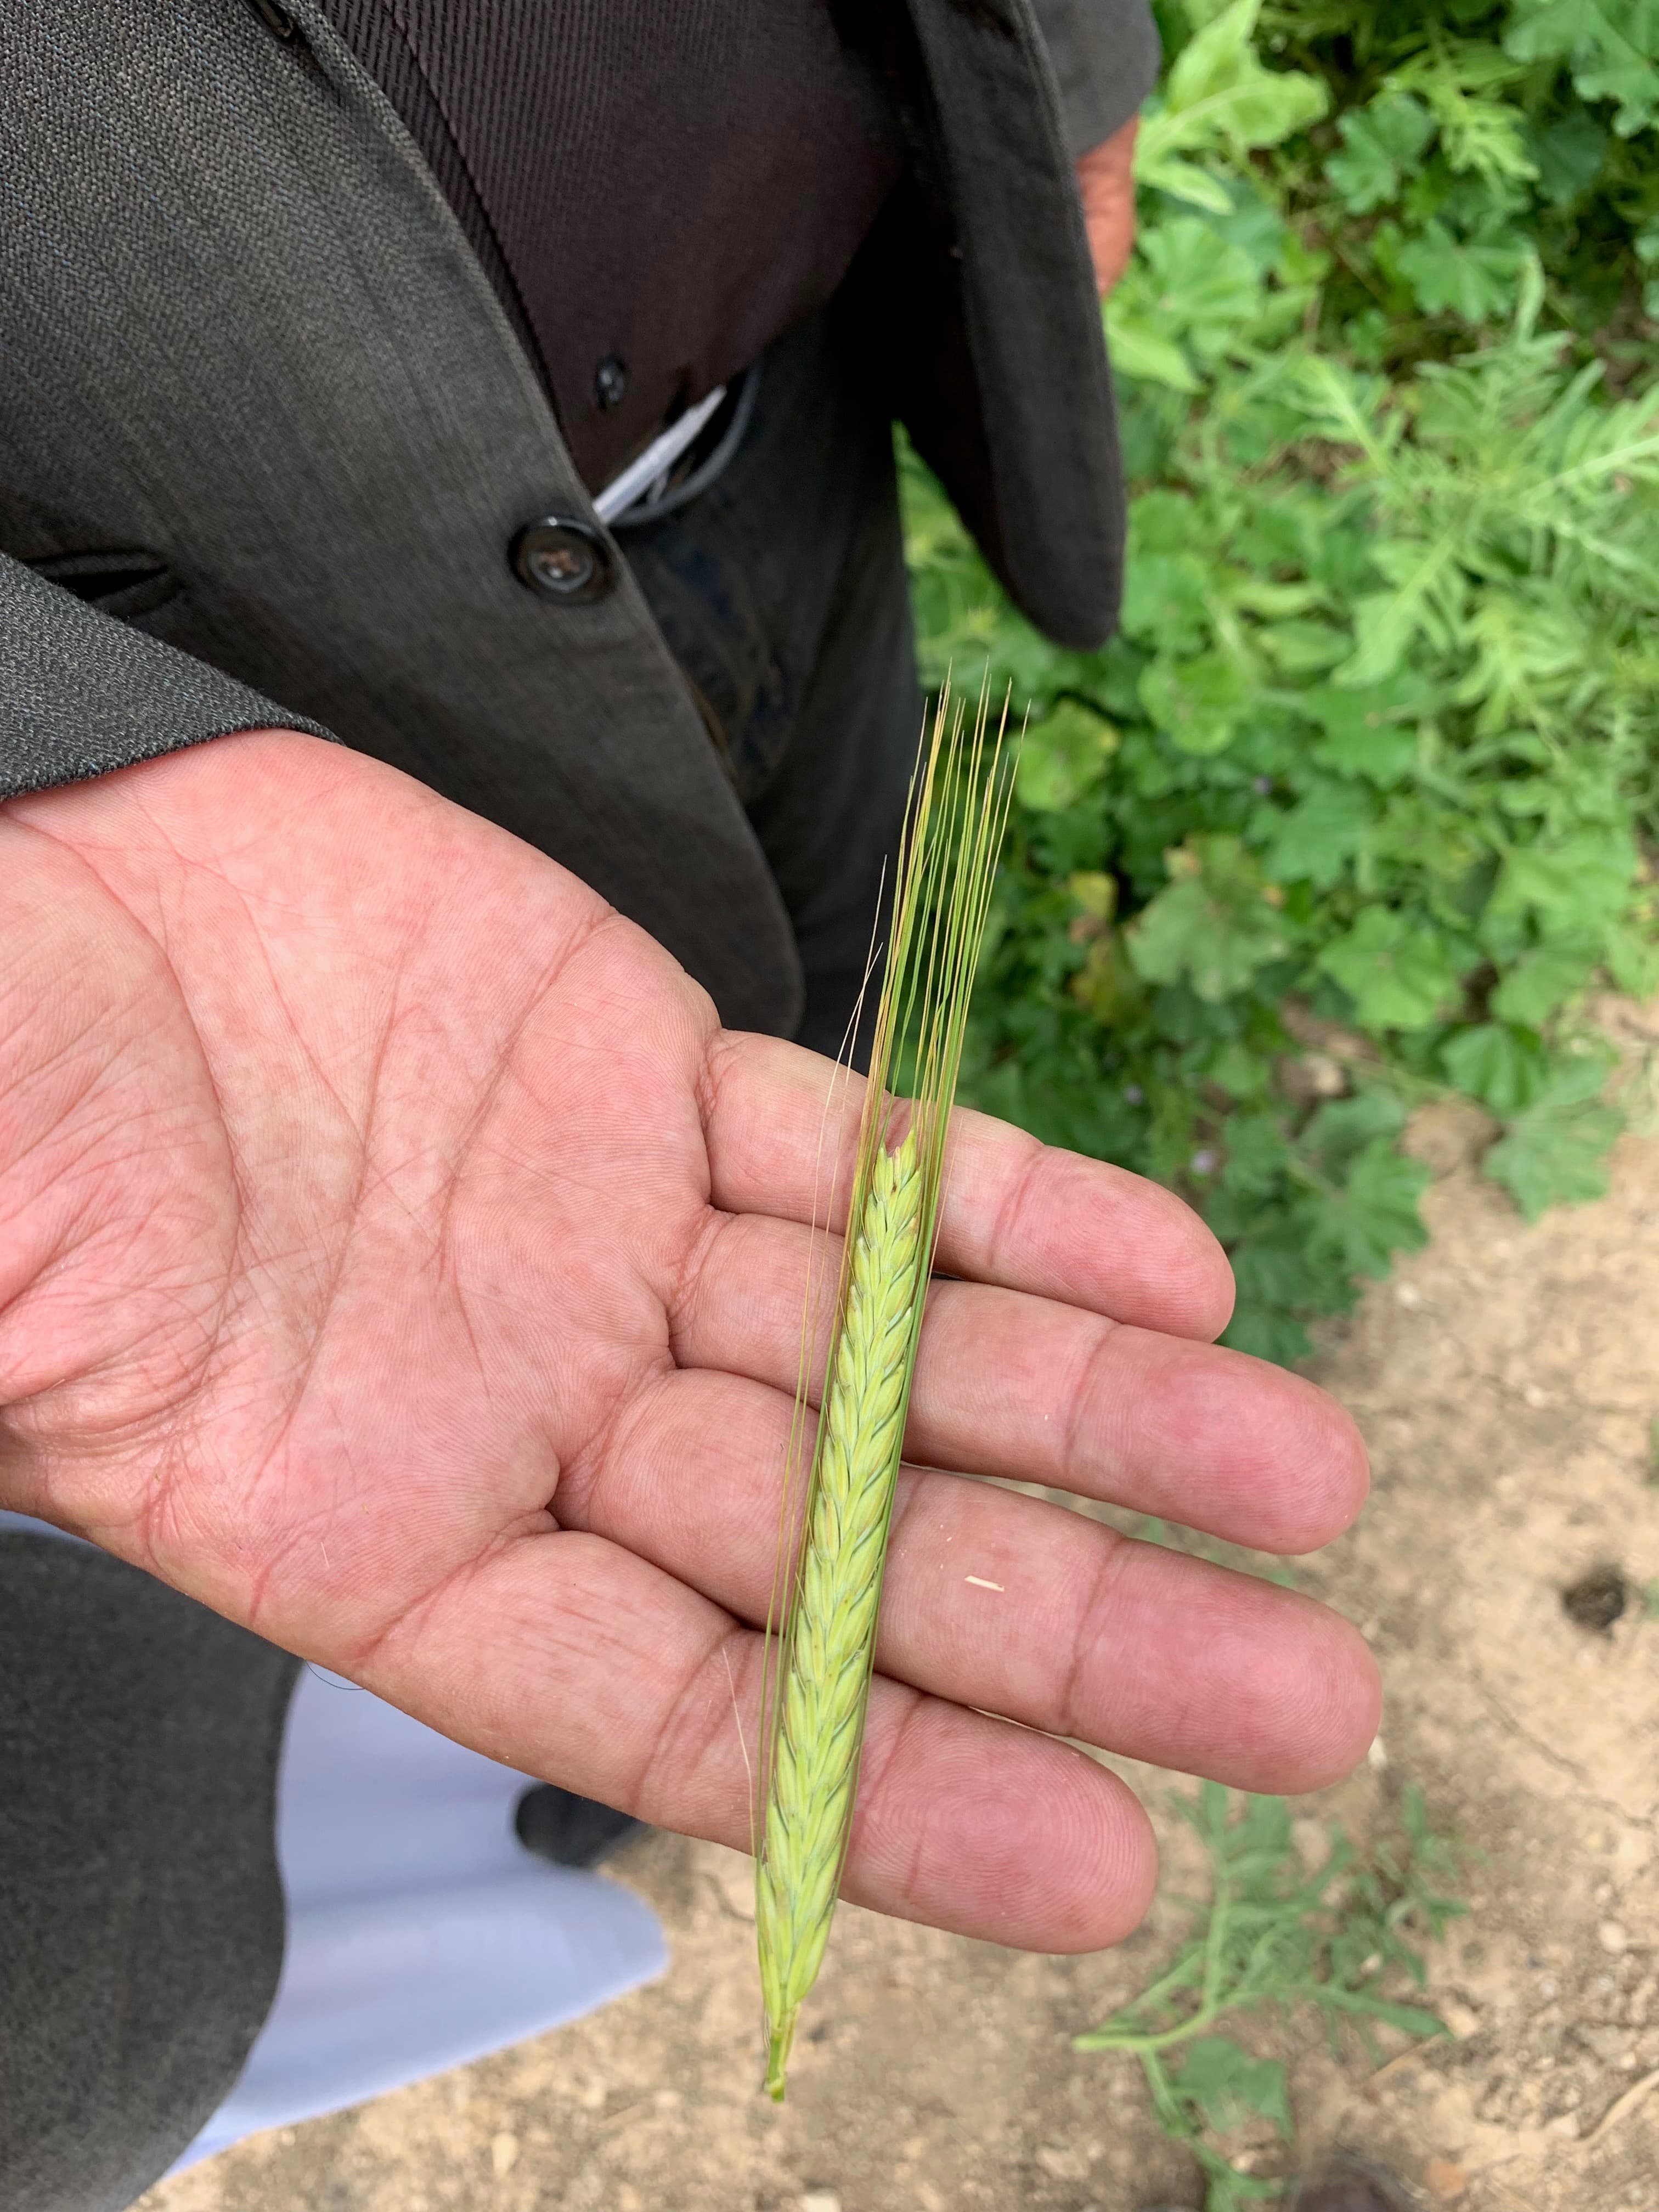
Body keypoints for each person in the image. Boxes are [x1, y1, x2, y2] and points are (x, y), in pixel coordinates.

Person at [1, 5, 1401, 2209]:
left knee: (813, 1053)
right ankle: (519, 1750)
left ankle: (609, 1743)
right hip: (187, 711)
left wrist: (1070, 57)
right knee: (306, 1506)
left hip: (784, 439)